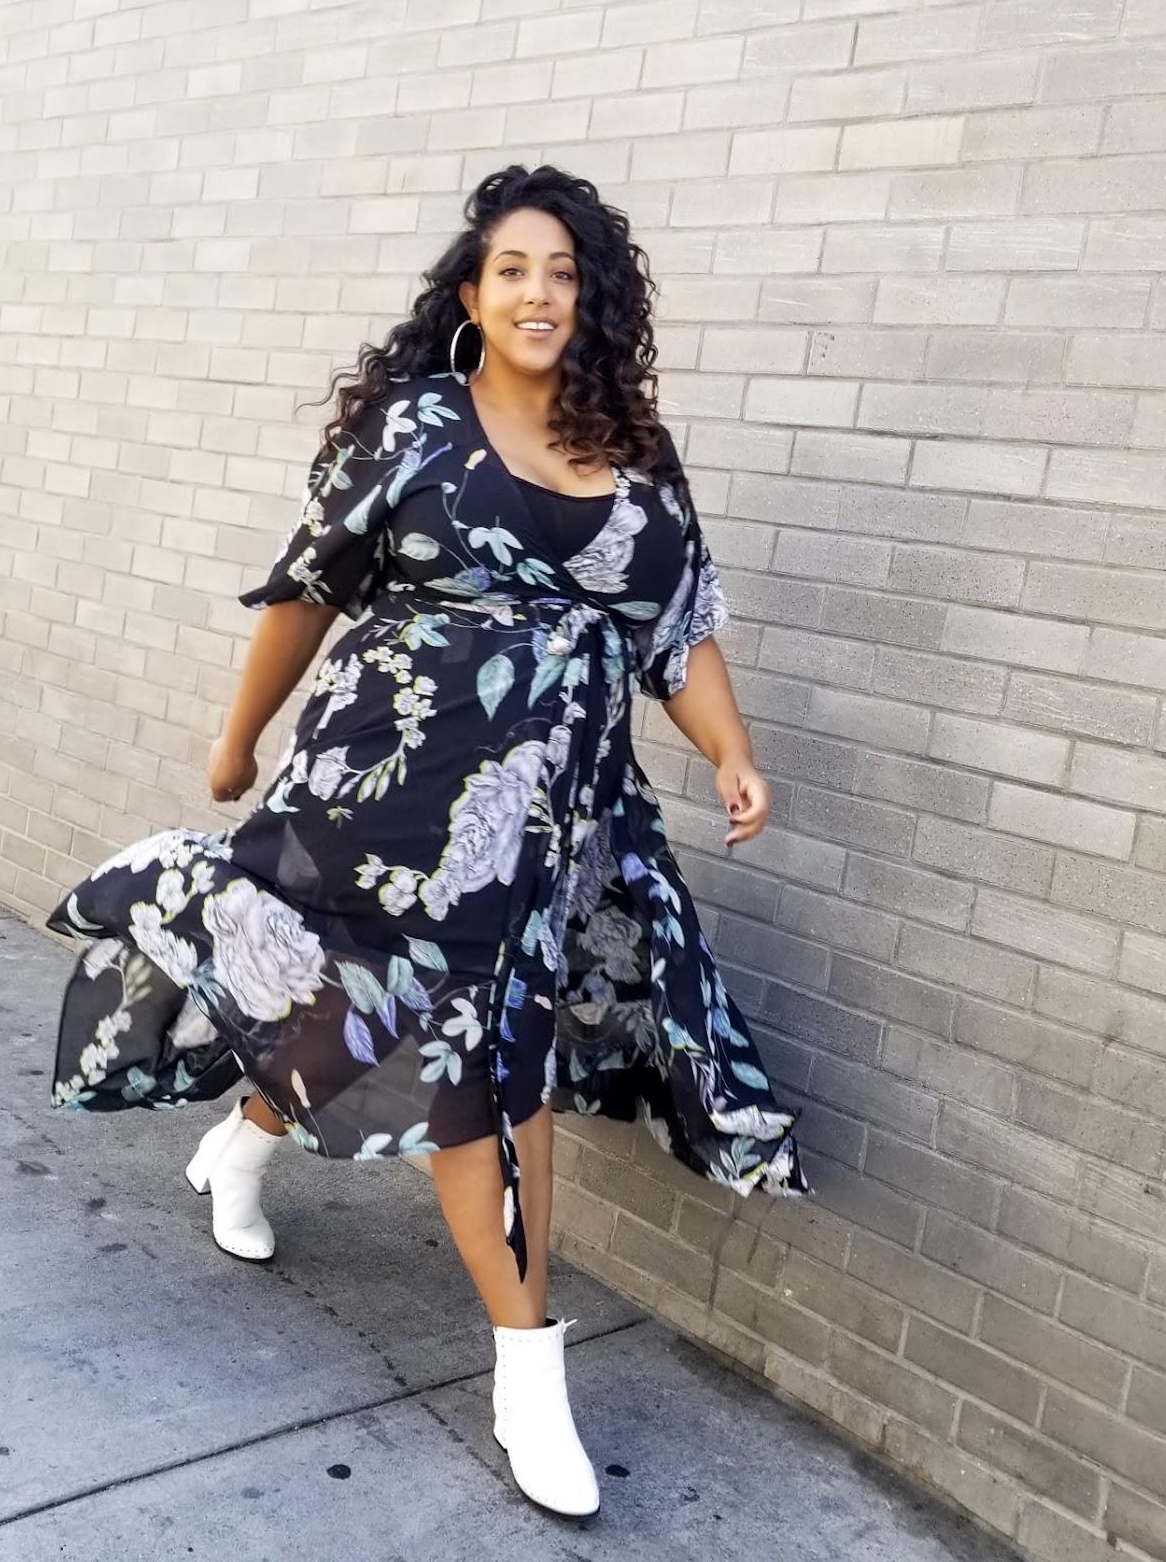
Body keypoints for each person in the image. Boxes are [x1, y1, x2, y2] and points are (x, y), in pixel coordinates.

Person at [48, 164, 806, 1520]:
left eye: (565, 272)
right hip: (386, 791)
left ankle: (251, 1152)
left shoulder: (635, 447)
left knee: (473, 1049)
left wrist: (730, 750)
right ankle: (527, 1372)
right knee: (400, 1021)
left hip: (553, 820)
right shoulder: (412, 427)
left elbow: (676, 630)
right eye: (514, 269)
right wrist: (236, 739)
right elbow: (308, 591)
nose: (540, 292)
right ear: (471, 294)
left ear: (594, 299)